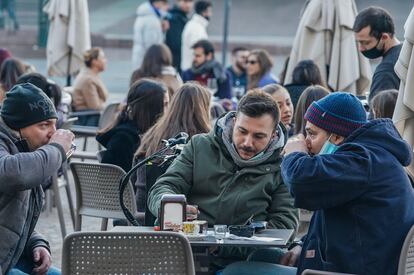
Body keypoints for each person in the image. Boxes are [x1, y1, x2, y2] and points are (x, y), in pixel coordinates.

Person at [224, 92, 414, 275]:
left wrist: (294, 154)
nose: (306, 142)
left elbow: (301, 181)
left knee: (235, 271)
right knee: (261, 255)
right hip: (351, 263)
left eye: (312, 134)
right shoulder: (370, 157)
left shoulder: (363, 160)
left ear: (337, 137)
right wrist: (302, 244)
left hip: (352, 270)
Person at [147, 89, 298, 266]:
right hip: (182, 254)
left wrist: (224, 245)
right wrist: (170, 206)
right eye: (242, 131)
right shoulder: (199, 146)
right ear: (234, 123)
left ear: (273, 135)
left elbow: (284, 225)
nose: (247, 142)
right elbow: (163, 187)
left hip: (240, 263)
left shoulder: (282, 168)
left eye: (258, 136)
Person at [0, 83, 74, 274]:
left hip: (10, 257)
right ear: (17, 127)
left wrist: (36, 243)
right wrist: (56, 149)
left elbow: (14, 217)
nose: (53, 133)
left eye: (54, 124)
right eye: (44, 125)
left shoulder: (24, 148)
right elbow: (13, 174)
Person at [134, 82, 211, 213]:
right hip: (175, 215)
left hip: (139, 210)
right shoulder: (202, 141)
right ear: (204, 109)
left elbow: (132, 180)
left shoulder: (152, 134)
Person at [96, 79, 168, 172]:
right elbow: (111, 180)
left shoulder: (148, 134)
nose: (168, 110)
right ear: (151, 108)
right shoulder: (123, 139)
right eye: (165, 104)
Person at [353, 6, 401, 103]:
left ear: (384, 37)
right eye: (358, 42)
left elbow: (379, 115)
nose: (360, 48)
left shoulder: (386, 72)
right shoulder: (406, 53)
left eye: (365, 42)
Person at [72, 47, 109, 126]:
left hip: (90, 115)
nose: (106, 61)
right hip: (87, 119)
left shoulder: (91, 75)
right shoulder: (88, 79)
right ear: (94, 61)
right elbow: (95, 106)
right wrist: (110, 108)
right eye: (103, 58)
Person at [132, 0, 169, 68]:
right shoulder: (152, 21)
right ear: (157, 3)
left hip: (140, 59)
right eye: (164, 4)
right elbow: (152, 47)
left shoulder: (144, 15)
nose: (167, 7)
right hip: (147, 63)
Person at [181, 0, 212, 71]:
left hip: (191, 69)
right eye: (210, 11)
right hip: (194, 71)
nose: (211, 14)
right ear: (204, 12)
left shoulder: (194, 25)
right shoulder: (197, 28)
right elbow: (199, 51)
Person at [165, 0, 194, 73]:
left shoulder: (181, 17)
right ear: (178, 2)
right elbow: (176, 44)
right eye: (185, 1)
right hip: (176, 63)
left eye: (190, 2)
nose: (188, 5)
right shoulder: (175, 18)